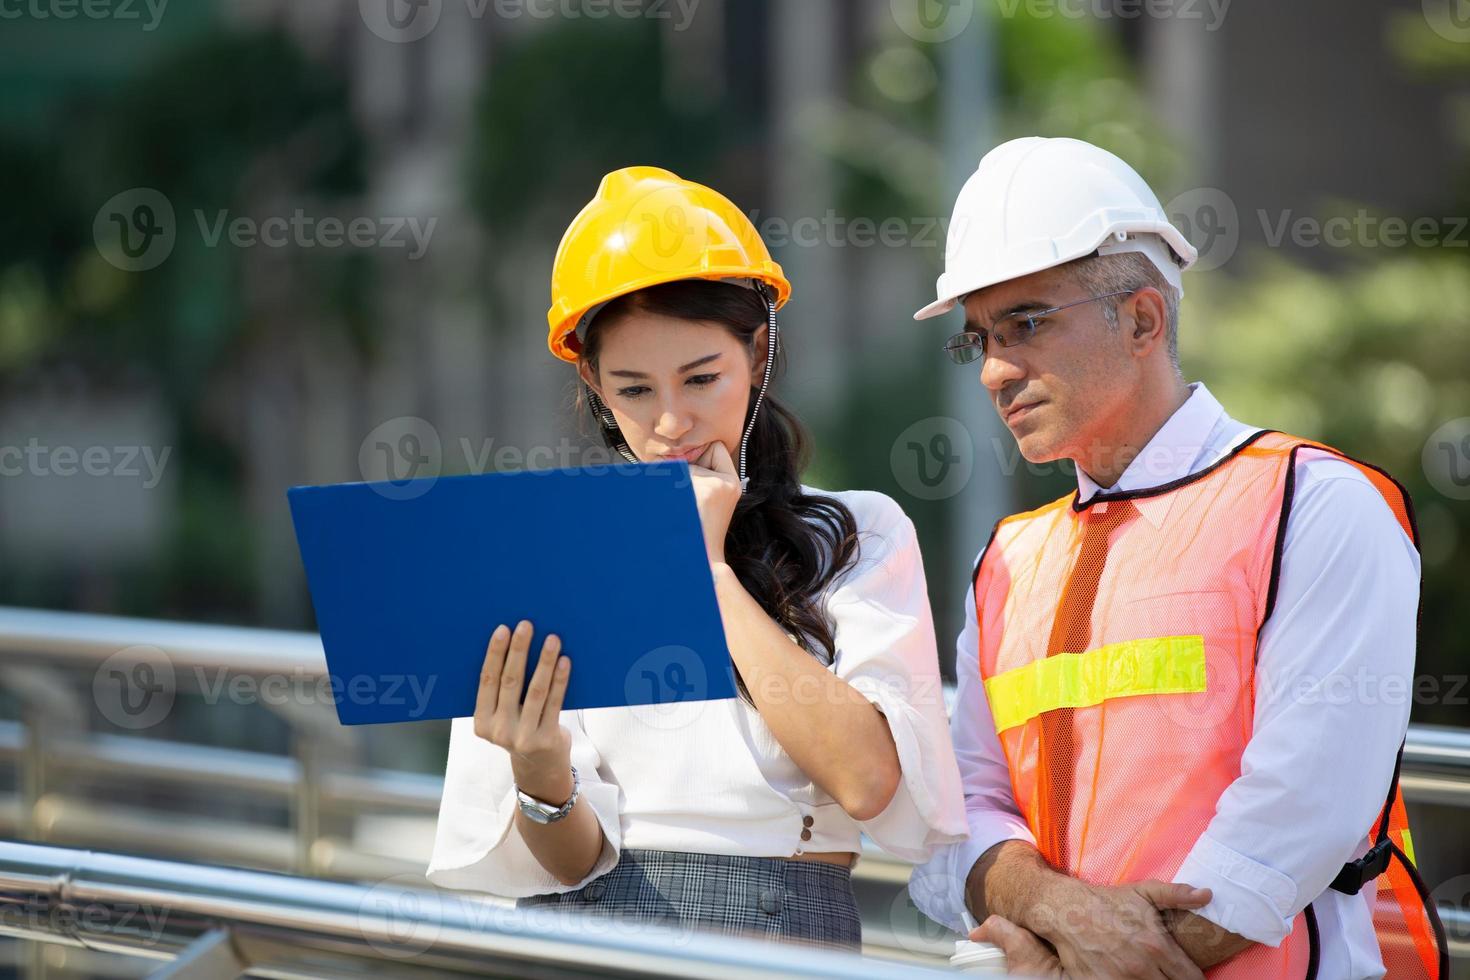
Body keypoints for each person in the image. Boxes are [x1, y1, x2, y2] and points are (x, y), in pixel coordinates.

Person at [907, 137, 1446, 979]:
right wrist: (1051, 909)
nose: (995, 372)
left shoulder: (1318, 503)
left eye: (1027, 324)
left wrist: (1093, 967)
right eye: (978, 339)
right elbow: (960, 818)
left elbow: (1305, 808)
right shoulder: (1006, 559)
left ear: (1144, 319)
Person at [425, 166, 967, 952]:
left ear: (758, 352)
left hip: (779, 940)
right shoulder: (546, 554)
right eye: (635, 390)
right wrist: (539, 772)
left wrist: (705, 567)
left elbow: (868, 780)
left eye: (702, 378)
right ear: (593, 383)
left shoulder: (855, 533)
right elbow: (569, 863)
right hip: (583, 945)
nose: (673, 421)